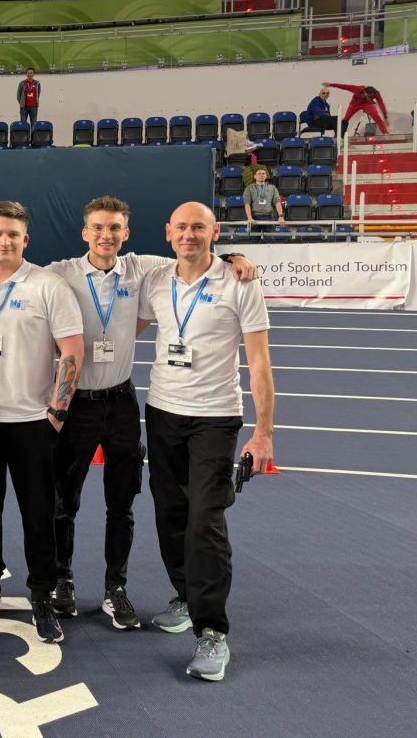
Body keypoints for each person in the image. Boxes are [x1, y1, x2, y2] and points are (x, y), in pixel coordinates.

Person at [39, 197, 257, 631]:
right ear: (85, 233)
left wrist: (236, 257)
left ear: (126, 233)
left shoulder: (143, 269)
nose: (106, 235)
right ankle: (62, 580)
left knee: (122, 503)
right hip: (76, 406)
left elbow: (195, 255)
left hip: (121, 403)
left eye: (114, 228)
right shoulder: (60, 273)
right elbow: (16, 274)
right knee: (64, 501)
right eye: (98, 228)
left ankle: (115, 588)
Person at [138, 201, 275, 682]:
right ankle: (185, 594)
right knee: (169, 512)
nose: (189, 234)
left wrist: (263, 432)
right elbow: (123, 324)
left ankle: (212, 630)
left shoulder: (240, 281)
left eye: (199, 227)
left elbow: (259, 361)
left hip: (215, 417)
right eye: (181, 227)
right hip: (161, 411)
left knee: (205, 520)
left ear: (215, 232)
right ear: (167, 233)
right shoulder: (156, 279)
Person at [0, 201, 83, 644]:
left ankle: (41, 595)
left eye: (13, 234)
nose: (5, 241)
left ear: (25, 241)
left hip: (33, 423)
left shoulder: (48, 285)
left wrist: (57, 413)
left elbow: (72, 351)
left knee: (38, 515)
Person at [324, 81, 389, 136]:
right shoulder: (358, 89)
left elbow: (381, 104)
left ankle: (385, 133)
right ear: (364, 91)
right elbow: (345, 87)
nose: (366, 96)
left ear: (373, 94)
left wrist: (385, 117)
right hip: (354, 105)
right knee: (345, 119)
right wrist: (331, 85)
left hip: (368, 105)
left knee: (377, 117)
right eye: (365, 94)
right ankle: (340, 136)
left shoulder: (376, 93)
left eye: (368, 96)